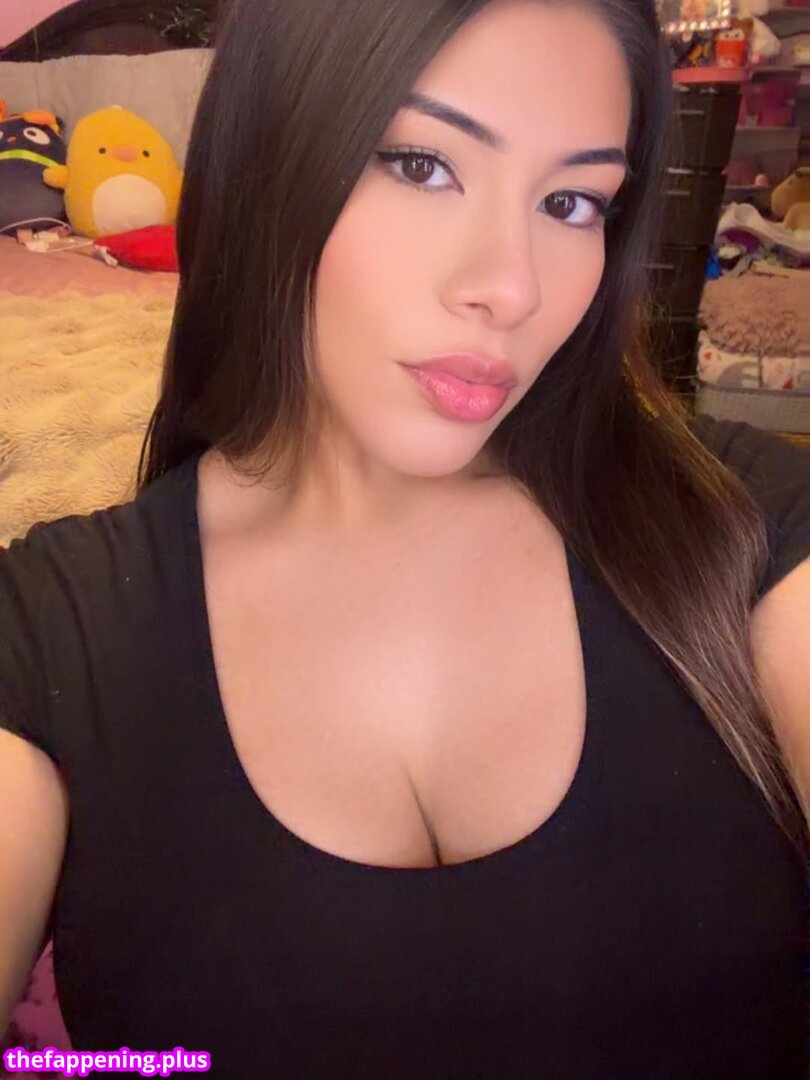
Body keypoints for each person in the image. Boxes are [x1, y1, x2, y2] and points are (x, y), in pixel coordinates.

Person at [1, 0, 808, 1075]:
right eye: (423, 166)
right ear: (267, 159)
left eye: (571, 202)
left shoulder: (746, 517)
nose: (511, 289)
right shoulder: (54, 626)